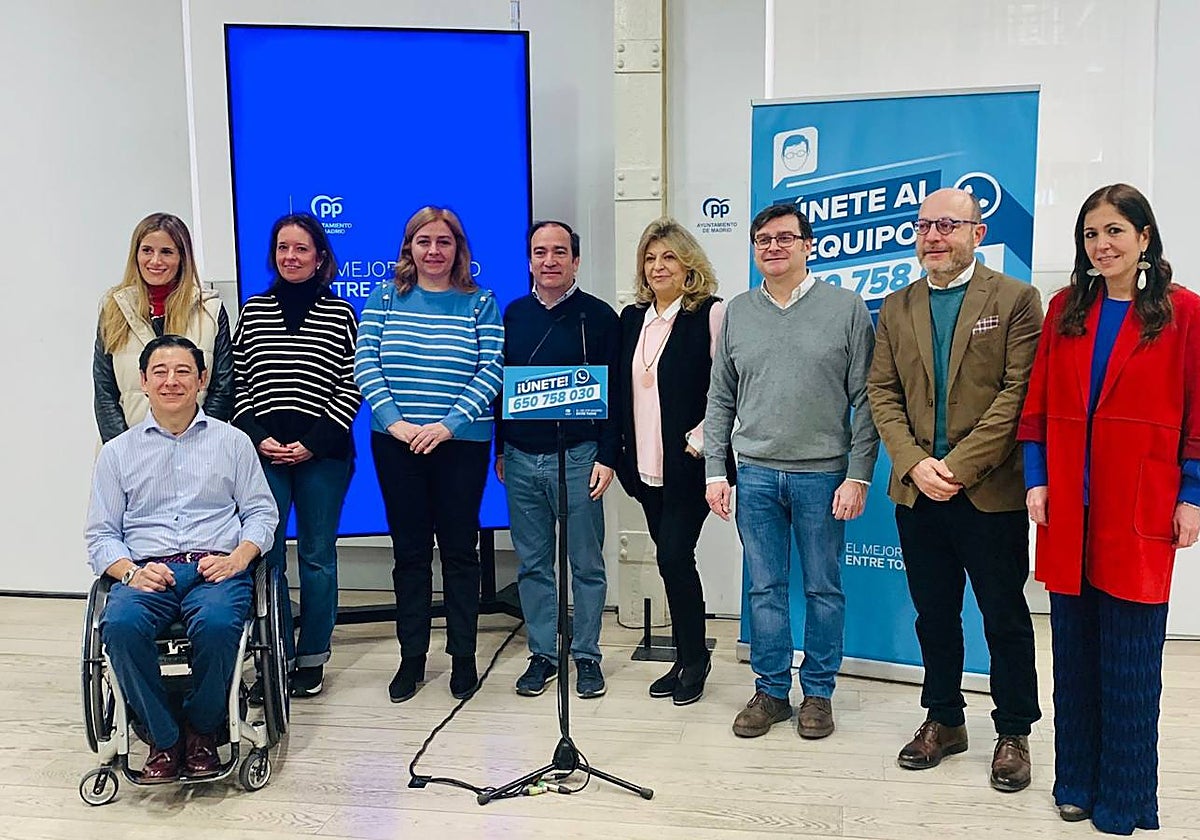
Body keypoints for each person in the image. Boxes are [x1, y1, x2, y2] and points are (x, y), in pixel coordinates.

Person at [1018, 183, 1200, 834]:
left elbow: (1199, 416)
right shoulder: (1066, 308)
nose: (1102, 245)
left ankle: (1126, 798)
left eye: (1115, 231)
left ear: (1144, 237)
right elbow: (1037, 405)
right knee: (1073, 653)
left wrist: (1192, 494)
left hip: (1141, 504)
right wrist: (1036, 479)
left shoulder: (1184, 312)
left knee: (1130, 659)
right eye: (1091, 234)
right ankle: (1074, 782)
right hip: (1069, 506)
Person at [867, 188, 1043, 792]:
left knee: (1004, 616)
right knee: (934, 615)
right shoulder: (897, 305)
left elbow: (1018, 394)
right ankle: (944, 719)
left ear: (977, 232)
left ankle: (1013, 730)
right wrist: (915, 464)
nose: (933, 236)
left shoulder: (1015, 299)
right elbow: (882, 392)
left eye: (947, 224)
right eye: (923, 226)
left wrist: (957, 467)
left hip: (988, 492)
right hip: (918, 493)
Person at [705, 203, 878, 740]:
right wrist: (715, 470)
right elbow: (720, 397)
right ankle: (772, 691)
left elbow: (868, 400)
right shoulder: (738, 311)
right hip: (755, 473)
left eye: (784, 237)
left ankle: (818, 693)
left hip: (822, 476)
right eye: (763, 239)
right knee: (764, 589)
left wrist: (858, 475)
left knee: (824, 588)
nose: (773, 247)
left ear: (809, 245)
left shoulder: (847, 309)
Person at [85, 334, 278, 784]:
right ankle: (163, 737)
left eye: (183, 371)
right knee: (120, 626)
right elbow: (100, 535)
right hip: (147, 570)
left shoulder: (233, 442)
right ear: (143, 382)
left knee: (217, 624)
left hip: (217, 568)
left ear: (202, 379)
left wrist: (238, 558)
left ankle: (202, 731)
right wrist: (130, 572)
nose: (171, 381)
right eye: (160, 372)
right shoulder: (117, 453)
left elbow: (261, 513)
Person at [354, 206, 503, 704]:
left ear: (458, 248)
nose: (434, 250)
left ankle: (463, 657)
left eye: (444, 241)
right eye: (424, 241)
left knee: (460, 552)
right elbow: (365, 363)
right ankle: (412, 657)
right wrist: (396, 423)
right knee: (410, 553)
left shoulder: (480, 302)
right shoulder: (384, 298)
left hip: (461, 444)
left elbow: (492, 369)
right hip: (396, 443)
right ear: (409, 248)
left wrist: (447, 426)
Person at [233, 213, 362, 698]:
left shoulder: (341, 313)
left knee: (317, 556)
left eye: (301, 248)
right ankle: (274, 654)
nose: (291, 256)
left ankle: (311, 658)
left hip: (323, 455)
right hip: (262, 454)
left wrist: (313, 442)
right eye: (283, 248)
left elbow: (352, 383)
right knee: (265, 557)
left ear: (320, 256)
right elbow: (238, 381)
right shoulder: (253, 310)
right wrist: (257, 435)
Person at [495, 220, 620, 700]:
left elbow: (617, 396)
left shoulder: (599, 317)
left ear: (576, 260)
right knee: (533, 564)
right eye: (540, 252)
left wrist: (608, 455)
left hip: (580, 456)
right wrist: (500, 448)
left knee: (585, 563)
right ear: (529, 260)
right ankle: (544, 655)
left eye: (559, 252)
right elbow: (499, 389)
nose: (549, 260)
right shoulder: (512, 315)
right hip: (521, 458)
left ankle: (586, 655)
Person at [615, 218, 729, 705]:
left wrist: (699, 441)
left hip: (688, 465)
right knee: (672, 563)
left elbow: (729, 388)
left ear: (688, 264)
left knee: (674, 557)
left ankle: (695, 660)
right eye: (650, 258)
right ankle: (684, 658)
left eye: (668, 257)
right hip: (644, 468)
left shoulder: (711, 313)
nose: (658, 266)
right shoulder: (631, 319)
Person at [94, 213, 233, 441]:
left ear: (182, 258)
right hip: (129, 452)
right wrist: (127, 450)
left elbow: (223, 388)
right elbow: (105, 394)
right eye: (147, 250)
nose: (155, 261)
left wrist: (198, 444)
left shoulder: (210, 310)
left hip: (199, 452)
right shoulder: (113, 310)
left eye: (166, 252)